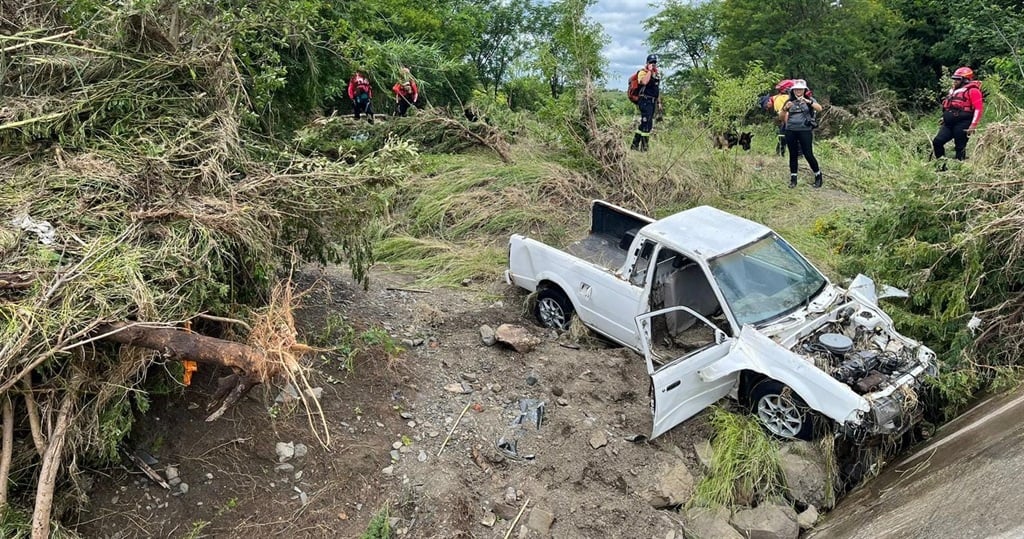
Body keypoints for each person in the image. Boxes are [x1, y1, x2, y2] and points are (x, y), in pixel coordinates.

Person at [932, 66, 984, 161]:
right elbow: (950, 105)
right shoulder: (953, 91)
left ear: (965, 80)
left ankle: (960, 167)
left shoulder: (973, 91)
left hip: (963, 122)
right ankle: (941, 166)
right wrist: (944, 118)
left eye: (957, 79)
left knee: (960, 147)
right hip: (949, 123)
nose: (954, 81)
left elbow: (978, 109)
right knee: (937, 142)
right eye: (954, 79)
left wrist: (973, 125)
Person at [779, 79, 824, 188]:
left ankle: (818, 176)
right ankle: (793, 179)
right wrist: (785, 109)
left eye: (800, 89)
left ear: (804, 90)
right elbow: (781, 117)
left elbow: (820, 109)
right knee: (793, 154)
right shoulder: (789, 101)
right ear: (793, 90)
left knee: (808, 154)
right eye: (796, 89)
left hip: (805, 130)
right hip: (790, 130)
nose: (798, 91)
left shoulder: (809, 100)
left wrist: (809, 102)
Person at [630, 54, 661, 152]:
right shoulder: (643, 72)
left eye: (654, 62)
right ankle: (644, 148)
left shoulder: (656, 74)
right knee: (647, 124)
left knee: (646, 124)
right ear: (647, 63)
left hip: (652, 102)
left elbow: (656, 88)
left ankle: (634, 145)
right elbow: (644, 82)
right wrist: (650, 71)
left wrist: (659, 102)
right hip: (644, 101)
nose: (653, 64)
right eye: (651, 62)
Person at [771, 79, 794, 156]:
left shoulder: (776, 98)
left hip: (785, 120)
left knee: (782, 138)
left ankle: (780, 153)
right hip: (787, 120)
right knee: (784, 138)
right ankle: (781, 153)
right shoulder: (784, 98)